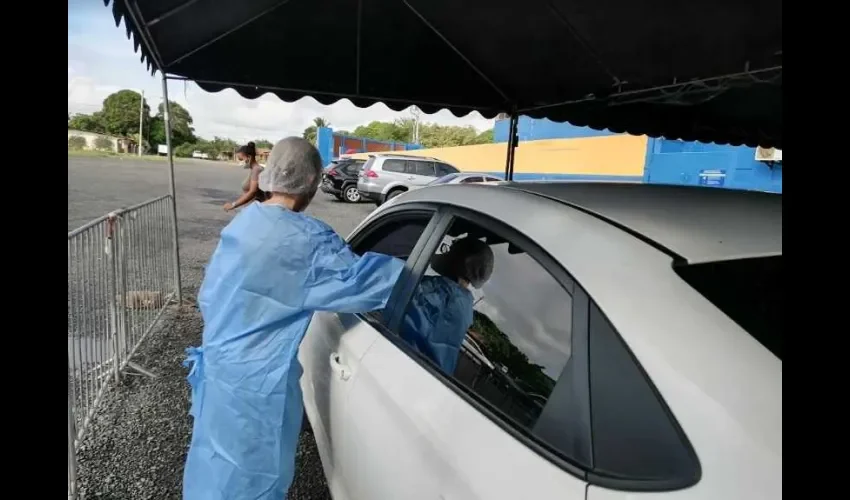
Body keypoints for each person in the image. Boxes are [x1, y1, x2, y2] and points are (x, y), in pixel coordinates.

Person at [182, 137, 406, 500]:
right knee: (253, 478)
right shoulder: (308, 240)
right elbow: (364, 284)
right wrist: (432, 280)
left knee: (213, 465)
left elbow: (209, 294)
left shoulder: (244, 222)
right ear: (312, 184)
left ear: (270, 176)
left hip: (219, 369)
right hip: (257, 387)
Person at [399, 236, 494, 374]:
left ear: (461, 262)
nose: (446, 253)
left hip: (406, 366)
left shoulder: (436, 292)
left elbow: (395, 302)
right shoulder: (465, 306)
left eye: (451, 250)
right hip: (431, 376)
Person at [223, 141, 266, 211]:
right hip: (251, 209)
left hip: (256, 210)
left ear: (249, 157)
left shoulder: (256, 170)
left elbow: (252, 192)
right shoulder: (253, 170)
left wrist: (233, 205)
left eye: (241, 159)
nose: (240, 162)